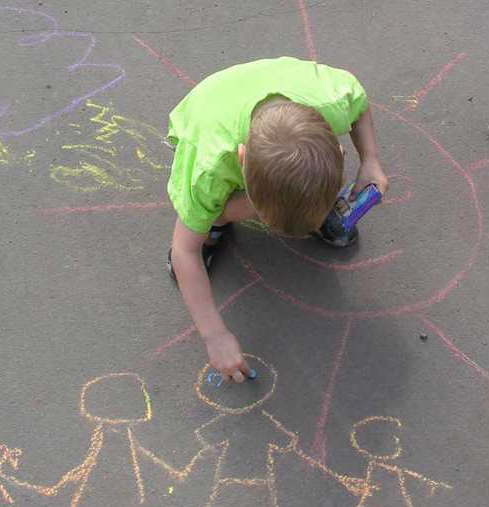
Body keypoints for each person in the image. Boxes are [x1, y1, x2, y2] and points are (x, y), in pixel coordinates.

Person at [166, 57, 388, 381]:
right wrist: (214, 334)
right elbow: (183, 251)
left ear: (338, 155)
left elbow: (361, 102)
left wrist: (370, 160)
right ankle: (220, 220)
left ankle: (299, 203)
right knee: (211, 215)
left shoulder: (333, 102)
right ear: (241, 161)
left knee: (291, 184)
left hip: (282, 96)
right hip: (209, 110)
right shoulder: (208, 167)